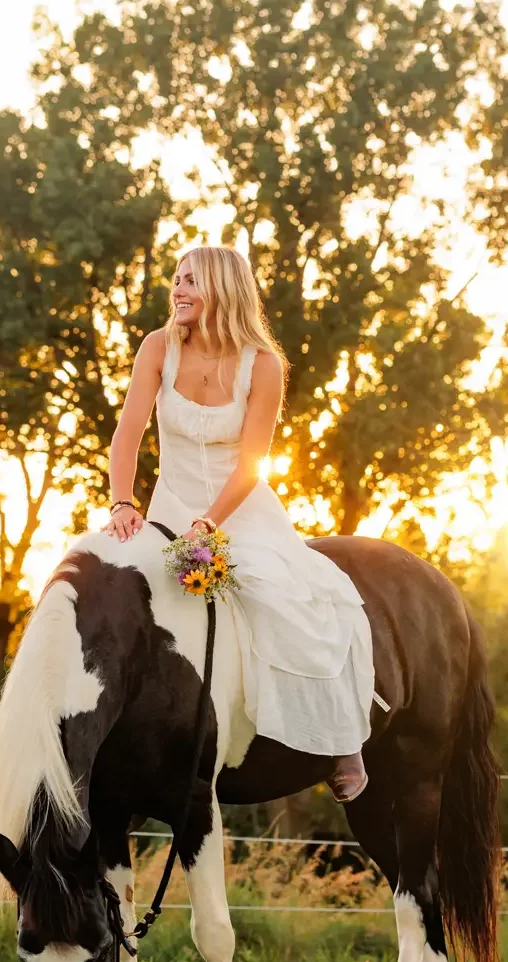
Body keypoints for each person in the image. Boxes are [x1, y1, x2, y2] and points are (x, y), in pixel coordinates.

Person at [103, 244, 372, 801]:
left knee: (292, 599)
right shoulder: (158, 348)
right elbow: (127, 433)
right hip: (168, 509)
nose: (177, 290)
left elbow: (252, 463)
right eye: (176, 280)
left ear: (223, 289)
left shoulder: (263, 364)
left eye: (190, 282)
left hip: (238, 511)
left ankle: (338, 736)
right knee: (112, 590)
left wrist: (210, 525)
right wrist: (122, 503)